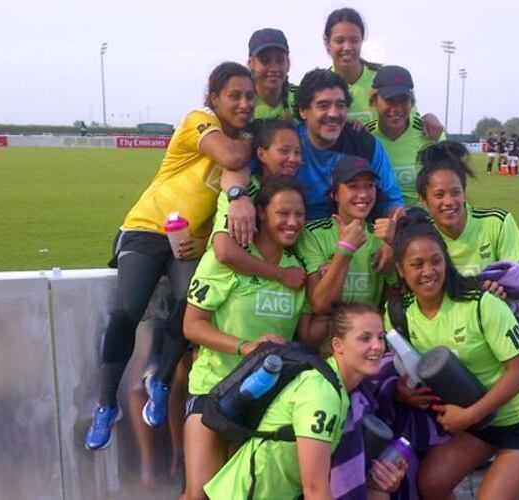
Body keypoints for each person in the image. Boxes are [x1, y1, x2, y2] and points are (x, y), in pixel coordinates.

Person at [84, 62, 255, 451]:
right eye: (235, 95)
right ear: (214, 98)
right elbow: (229, 156)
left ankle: (159, 379)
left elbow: (231, 189)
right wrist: (251, 143)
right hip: (146, 228)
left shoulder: (244, 149)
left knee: (191, 306)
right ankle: (106, 405)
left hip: (187, 242)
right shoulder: (200, 121)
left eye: (249, 96)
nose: (244, 103)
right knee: (127, 311)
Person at [387, 211, 519, 499]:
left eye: (436, 261)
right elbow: (401, 367)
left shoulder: (481, 302)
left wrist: (468, 416)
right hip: (481, 424)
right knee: (430, 483)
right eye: (416, 264)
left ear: (447, 261)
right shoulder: (398, 313)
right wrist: (402, 392)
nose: (428, 271)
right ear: (400, 269)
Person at [181, 176, 309, 499]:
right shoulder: (226, 260)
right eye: (283, 213)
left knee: (240, 495)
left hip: (263, 400)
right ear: (262, 213)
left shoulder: (297, 271)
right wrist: (245, 347)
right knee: (199, 494)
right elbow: (192, 325)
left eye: (299, 214)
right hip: (212, 388)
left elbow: (303, 334)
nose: (292, 222)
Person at [204, 302, 397, 500]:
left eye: (380, 337)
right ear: (337, 345)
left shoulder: (339, 390)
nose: (377, 346)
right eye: (365, 338)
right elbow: (315, 490)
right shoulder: (320, 392)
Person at [295, 155, 397, 346]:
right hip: (325, 350)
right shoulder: (313, 233)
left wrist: (393, 248)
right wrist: (346, 250)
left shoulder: (382, 236)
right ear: (335, 194)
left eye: (369, 185)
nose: (364, 194)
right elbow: (320, 303)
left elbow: (394, 297)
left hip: (368, 348)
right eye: (353, 186)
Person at [293, 68, 404, 221]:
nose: (333, 114)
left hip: (357, 236)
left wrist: (395, 232)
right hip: (296, 235)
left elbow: (392, 202)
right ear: (303, 110)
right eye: (323, 106)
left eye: (340, 105)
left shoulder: (365, 145)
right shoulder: (287, 143)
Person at [210, 118, 306, 288]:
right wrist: (281, 274)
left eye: (298, 153)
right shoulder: (241, 192)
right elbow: (225, 252)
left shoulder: (296, 191)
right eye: (284, 151)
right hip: (227, 283)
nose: (293, 159)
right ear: (261, 154)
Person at [415, 141, 519, 277]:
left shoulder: (497, 223)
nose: (448, 202)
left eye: (456, 192)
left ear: (464, 192)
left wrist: (504, 284)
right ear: (423, 200)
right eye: (439, 195)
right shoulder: (420, 235)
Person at [322, 7, 443, 139]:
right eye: (340, 41)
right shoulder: (317, 87)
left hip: (382, 157)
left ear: (362, 41)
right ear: (327, 43)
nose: (347, 47)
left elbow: (409, 116)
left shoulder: (383, 80)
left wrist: (428, 118)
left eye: (354, 40)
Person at [366, 64, 445, 208]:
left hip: (423, 224)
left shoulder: (431, 133)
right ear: (374, 101)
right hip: (380, 224)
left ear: (412, 102)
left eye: (403, 100)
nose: (396, 109)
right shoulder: (366, 139)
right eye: (389, 100)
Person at [247, 28, 297, 120]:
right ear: (251, 63)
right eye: (265, 60)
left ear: (288, 63)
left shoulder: (300, 98)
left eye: (280, 60)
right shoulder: (241, 103)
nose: (274, 68)